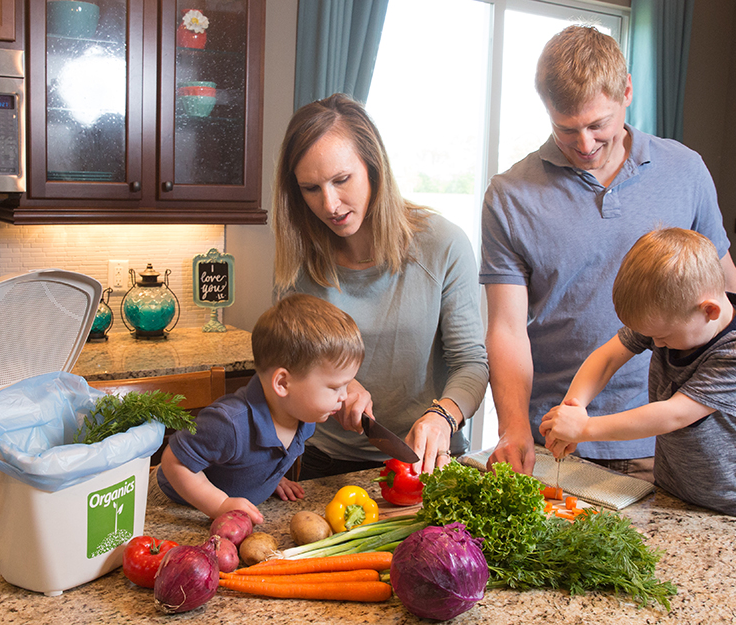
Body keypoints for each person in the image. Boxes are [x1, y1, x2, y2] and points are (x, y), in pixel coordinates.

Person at [480, 25, 736, 480]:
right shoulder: (510, 195)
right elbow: (507, 329)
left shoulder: (684, 169)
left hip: (665, 442)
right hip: (555, 439)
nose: (585, 145)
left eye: (598, 125)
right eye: (566, 129)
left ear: (627, 91)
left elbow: (729, 288)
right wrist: (512, 427)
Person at [272, 93, 489, 479]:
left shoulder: (443, 245)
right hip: (325, 465)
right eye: (310, 188)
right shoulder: (298, 262)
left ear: (373, 167)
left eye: (342, 180)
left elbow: (470, 363)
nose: (330, 204)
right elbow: (284, 363)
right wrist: (339, 383)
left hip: (427, 464)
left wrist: (443, 417)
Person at [540, 228, 736, 525]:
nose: (656, 343)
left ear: (709, 311)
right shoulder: (670, 315)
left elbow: (674, 414)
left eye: (662, 337)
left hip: (735, 505)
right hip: (673, 488)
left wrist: (585, 429)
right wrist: (573, 408)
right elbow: (608, 358)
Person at [154, 293, 365, 522]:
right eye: (335, 387)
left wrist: (269, 479)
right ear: (283, 383)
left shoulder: (304, 416)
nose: (344, 396)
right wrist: (219, 504)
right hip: (173, 503)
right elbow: (174, 461)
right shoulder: (229, 423)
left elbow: (258, 458)